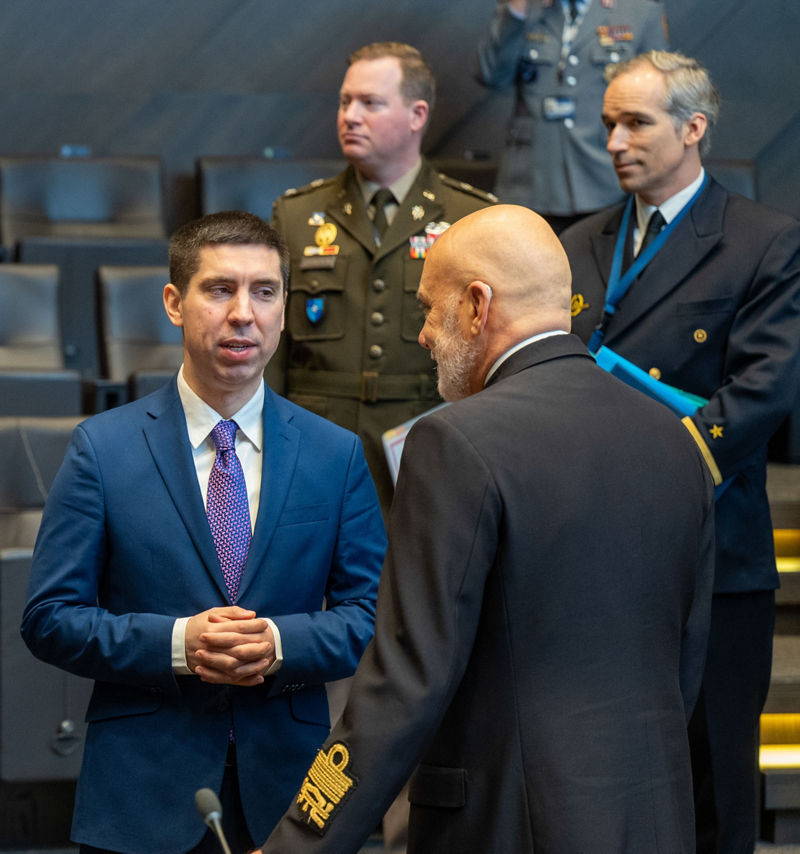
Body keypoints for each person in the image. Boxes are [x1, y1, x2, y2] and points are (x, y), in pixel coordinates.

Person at [258, 204, 714, 853]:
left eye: (427, 307)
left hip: (509, 826)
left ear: (477, 305)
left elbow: (404, 680)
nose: (421, 334)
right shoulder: (672, 441)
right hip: (652, 818)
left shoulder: (454, 441)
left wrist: (299, 842)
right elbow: (686, 659)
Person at [21, 211, 385, 853]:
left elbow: (372, 617)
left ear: (284, 308)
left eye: (264, 291)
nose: (243, 313)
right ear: (173, 302)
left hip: (291, 796)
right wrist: (177, 644)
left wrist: (277, 642)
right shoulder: (103, 450)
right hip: (140, 792)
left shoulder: (336, 455)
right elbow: (49, 617)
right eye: (219, 289)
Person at [561, 50, 800, 853]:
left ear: (694, 128)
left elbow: (763, 391)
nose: (616, 142)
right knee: (607, 772)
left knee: (713, 776)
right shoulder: (581, 241)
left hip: (709, 549)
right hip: (590, 550)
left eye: (636, 122)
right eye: (608, 125)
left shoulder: (763, 241)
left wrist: (653, 474)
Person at [268, 41, 495, 511]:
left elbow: (486, 351)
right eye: (345, 101)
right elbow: (274, 348)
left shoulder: (469, 216)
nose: (350, 115)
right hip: (317, 442)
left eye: (370, 103)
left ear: (417, 115)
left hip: (422, 442)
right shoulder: (297, 214)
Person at [474, 0, 668, 230]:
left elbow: (655, 98)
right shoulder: (525, 7)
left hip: (604, 181)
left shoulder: (638, 9)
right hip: (530, 182)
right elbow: (491, 75)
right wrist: (517, 9)